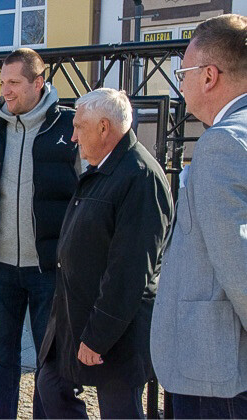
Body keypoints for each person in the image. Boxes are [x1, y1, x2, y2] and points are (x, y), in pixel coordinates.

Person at [0, 48, 80, 418]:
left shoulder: (67, 126)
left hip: (49, 269)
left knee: (49, 363)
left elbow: (87, 195)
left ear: (38, 83)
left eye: (14, 83)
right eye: (2, 81)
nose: (5, 91)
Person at [36, 88, 173, 419]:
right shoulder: (103, 168)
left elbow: (130, 270)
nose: (71, 136)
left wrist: (98, 337)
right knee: (51, 385)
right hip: (76, 317)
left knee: (120, 410)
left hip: (116, 329)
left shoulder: (139, 176)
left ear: (104, 128)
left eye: (79, 126)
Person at [150, 14, 247, 419]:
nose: (180, 80)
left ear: (209, 76)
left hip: (214, 371)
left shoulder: (221, 144)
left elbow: (239, 264)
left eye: (183, 70)